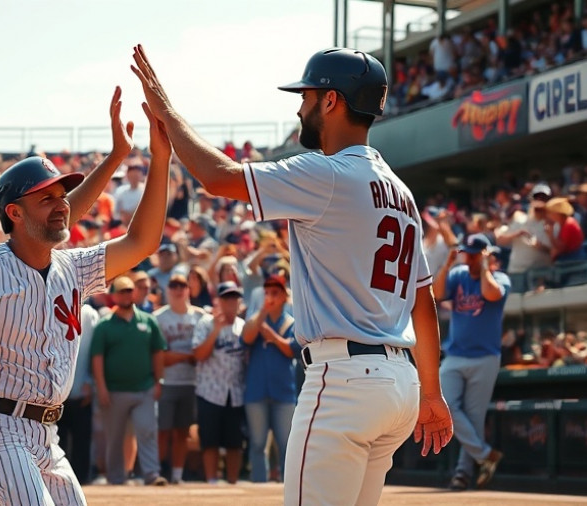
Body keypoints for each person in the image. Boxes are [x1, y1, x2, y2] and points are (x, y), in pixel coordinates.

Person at [133, 45, 452, 505]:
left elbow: (218, 177)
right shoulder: (401, 191)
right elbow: (422, 303)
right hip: (399, 384)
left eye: (307, 95)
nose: (300, 105)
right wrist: (432, 392)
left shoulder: (328, 172)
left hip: (344, 381)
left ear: (331, 100)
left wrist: (166, 110)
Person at [0, 87, 172, 505]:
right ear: (14, 212)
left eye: (61, 195)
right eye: (46, 197)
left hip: (46, 435)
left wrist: (161, 159)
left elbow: (142, 240)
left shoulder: (73, 267)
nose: (61, 204)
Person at [434, 234, 510, 490]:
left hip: (485, 357)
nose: (470, 257)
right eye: (468, 253)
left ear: (485, 254)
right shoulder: (458, 275)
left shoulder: (499, 278)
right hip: (455, 354)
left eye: (475, 253)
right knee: (445, 404)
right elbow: (436, 292)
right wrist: (446, 264)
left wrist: (486, 266)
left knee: (474, 419)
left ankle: (462, 475)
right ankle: (486, 455)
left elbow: (490, 294)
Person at [91, 276, 168, 486]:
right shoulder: (104, 325)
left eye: (129, 290)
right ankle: (116, 479)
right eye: (122, 291)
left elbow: (158, 352)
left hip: (144, 388)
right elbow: (97, 358)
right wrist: (102, 388)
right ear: (114, 295)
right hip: (114, 391)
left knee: (147, 430)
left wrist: (158, 380)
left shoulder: (149, 321)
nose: (126, 295)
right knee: (114, 438)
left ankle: (152, 474)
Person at [241, 270, 302, 483]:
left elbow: (292, 350)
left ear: (284, 296)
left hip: (283, 392)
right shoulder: (257, 320)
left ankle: (289, 488)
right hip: (256, 391)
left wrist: (273, 337)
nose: (270, 297)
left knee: (286, 444)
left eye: (275, 292)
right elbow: (246, 338)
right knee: (257, 444)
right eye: (267, 292)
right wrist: (261, 315)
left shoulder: (293, 323)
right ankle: (259, 488)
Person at [192, 282, 246, 484]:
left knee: (235, 443)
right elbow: (199, 355)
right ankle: (212, 483)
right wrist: (215, 330)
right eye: (227, 298)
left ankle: (232, 482)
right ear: (219, 301)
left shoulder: (243, 326)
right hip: (210, 391)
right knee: (210, 442)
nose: (231, 302)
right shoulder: (206, 323)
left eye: (235, 298)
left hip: (236, 392)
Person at [153, 273, 204, 484]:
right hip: (167, 382)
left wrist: (177, 356)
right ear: (167, 290)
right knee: (162, 431)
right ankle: (157, 472)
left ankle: (176, 475)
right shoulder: (158, 317)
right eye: (173, 285)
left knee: (183, 431)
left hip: (192, 382)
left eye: (182, 285)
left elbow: (200, 354)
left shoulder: (201, 316)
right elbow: (161, 357)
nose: (178, 289)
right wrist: (190, 356)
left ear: (189, 289)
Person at [56, 303, 99, 485]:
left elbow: (95, 352)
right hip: (55, 392)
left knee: (82, 441)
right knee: (57, 443)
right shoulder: (48, 303)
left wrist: (91, 382)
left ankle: (82, 481)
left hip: (82, 390)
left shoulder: (89, 314)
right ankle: (58, 482)